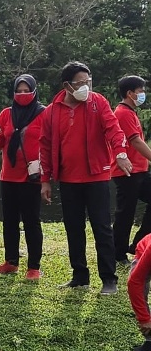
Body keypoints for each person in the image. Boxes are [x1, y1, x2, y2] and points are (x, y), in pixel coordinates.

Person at [39, 61, 131, 295]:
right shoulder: (52, 111)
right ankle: (80, 276)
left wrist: (120, 153)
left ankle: (109, 279)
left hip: (96, 176)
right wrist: (45, 179)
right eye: (80, 83)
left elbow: (113, 128)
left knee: (102, 228)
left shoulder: (97, 102)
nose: (86, 87)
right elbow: (46, 146)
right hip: (68, 180)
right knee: (73, 228)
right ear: (67, 85)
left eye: (88, 82)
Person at [0, 75, 45, 280]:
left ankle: (34, 267)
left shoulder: (43, 114)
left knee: (31, 221)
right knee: (10, 221)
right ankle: (11, 262)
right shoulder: (6, 114)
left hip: (32, 176)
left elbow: (49, 144)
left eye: (26, 90)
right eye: (18, 91)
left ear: (34, 91)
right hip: (9, 176)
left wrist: (48, 174)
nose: (22, 94)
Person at [112, 76, 151, 266]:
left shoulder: (130, 112)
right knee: (125, 213)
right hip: (127, 171)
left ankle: (137, 244)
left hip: (139, 171)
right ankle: (118, 254)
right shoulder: (123, 113)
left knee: (126, 212)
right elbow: (135, 142)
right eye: (141, 90)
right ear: (130, 93)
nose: (143, 94)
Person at [128, 233, 151, 351]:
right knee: (141, 293)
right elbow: (135, 282)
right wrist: (144, 319)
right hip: (143, 254)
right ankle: (149, 340)